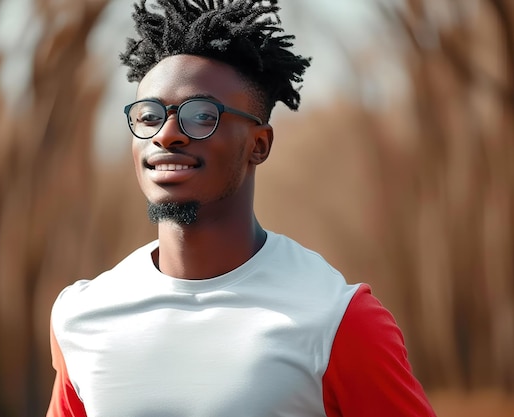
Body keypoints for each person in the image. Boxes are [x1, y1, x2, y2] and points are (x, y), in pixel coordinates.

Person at [46, 1, 437, 416]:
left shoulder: (336, 321)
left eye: (201, 116)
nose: (168, 134)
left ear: (259, 144)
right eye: (149, 115)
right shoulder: (82, 315)